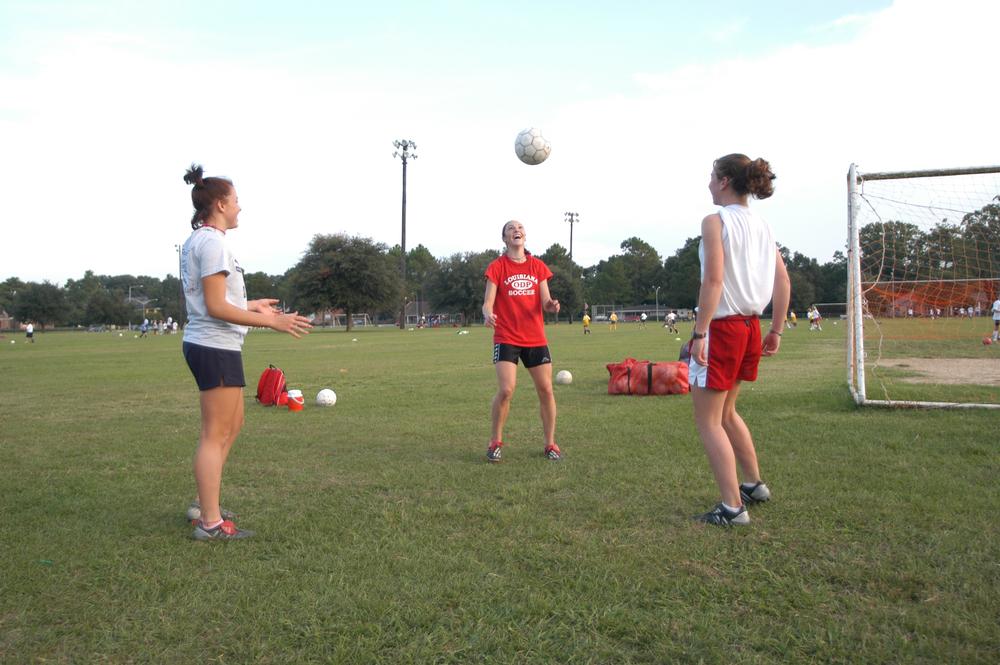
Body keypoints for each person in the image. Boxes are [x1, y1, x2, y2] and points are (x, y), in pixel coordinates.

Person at [180, 163, 312, 540]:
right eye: (236, 201)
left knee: (232, 426)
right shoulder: (212, 243)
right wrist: (272, 322)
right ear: (220, 204)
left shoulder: (203, 241)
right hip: (213, 345)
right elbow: (215, 307)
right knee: (214, 433)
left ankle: (207, 505)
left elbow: (218, 300)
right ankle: (209, 522)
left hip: (217, 344)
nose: (240, 207)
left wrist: (250, 304)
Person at [686, 153, 791, 526]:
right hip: (750, 327)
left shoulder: (715, 221)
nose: (709, 184)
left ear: (726, 181)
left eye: (712, 176)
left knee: (710, 421)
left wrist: (699, 333)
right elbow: (783, 281)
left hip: (724, 329)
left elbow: (713, 281)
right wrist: (776, 329)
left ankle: (732, 508)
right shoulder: (762, 225)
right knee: (727, 412)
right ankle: (753, 485)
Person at [482, 220, 562, 462]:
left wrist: (552, 305)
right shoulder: (497, 267)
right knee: (506, 390)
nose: (516, 230)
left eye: (520, 228)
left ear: (524, 236)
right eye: (510, 229)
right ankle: (495, 441)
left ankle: (550, 444)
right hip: (506, 336)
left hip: (535, 337)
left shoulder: (537, 266)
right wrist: (487, 313)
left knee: (546, 389)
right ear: (505, 238)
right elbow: (488, 302)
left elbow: (546, 302)